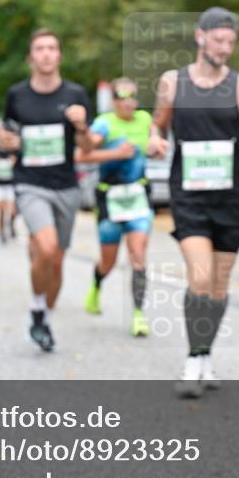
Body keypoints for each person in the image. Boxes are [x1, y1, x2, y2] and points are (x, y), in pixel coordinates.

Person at [147, 7, 239, 398]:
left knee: (219, 284)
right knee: (200, 276)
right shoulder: (172, 83)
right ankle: (193, 360)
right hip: (189, 195)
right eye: (218, 40)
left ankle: (205, 353)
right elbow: (157, 125)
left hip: (230, 198)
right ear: (200, 37)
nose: (225, 49)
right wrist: (155, 140)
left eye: (231, 42)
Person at [0, 28, 95, 352]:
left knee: (56, 262)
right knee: (47, 246)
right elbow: (7, 135)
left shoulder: (76, 94)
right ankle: (40, 306)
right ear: (31, 57)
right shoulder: (17, 95)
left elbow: (88, 146)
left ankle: (42, 318)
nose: (46, 54)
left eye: (52, 48)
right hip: (30, 183)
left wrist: (81, 126)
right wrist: (5, 142)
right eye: (39, 48)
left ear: (59, 56)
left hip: (67, 185)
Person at [77, 77, 153, 337]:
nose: (128, 102)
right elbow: (82, 155)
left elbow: (156, 142)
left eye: (132, 96)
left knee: (138, 255)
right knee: (108, 261)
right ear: (113, 100)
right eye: (122, 97)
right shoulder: (104, 124)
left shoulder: (145, 120)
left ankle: (138, 314)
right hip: (109, 198)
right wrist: (115, 154)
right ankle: (96, 285)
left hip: (138, 195)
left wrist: (157, 146)